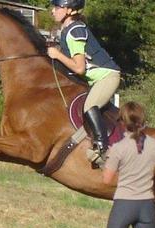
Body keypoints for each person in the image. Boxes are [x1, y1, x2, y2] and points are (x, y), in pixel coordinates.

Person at [47, 0, 121, 167]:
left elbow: (79, 68)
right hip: (97, 79)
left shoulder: (75, 31)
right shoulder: (67, 29)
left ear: (70, 11)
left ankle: (102, 149)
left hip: (107, 76)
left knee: (90, 107)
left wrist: (57, 55)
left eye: (58, 7)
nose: (53, 11)